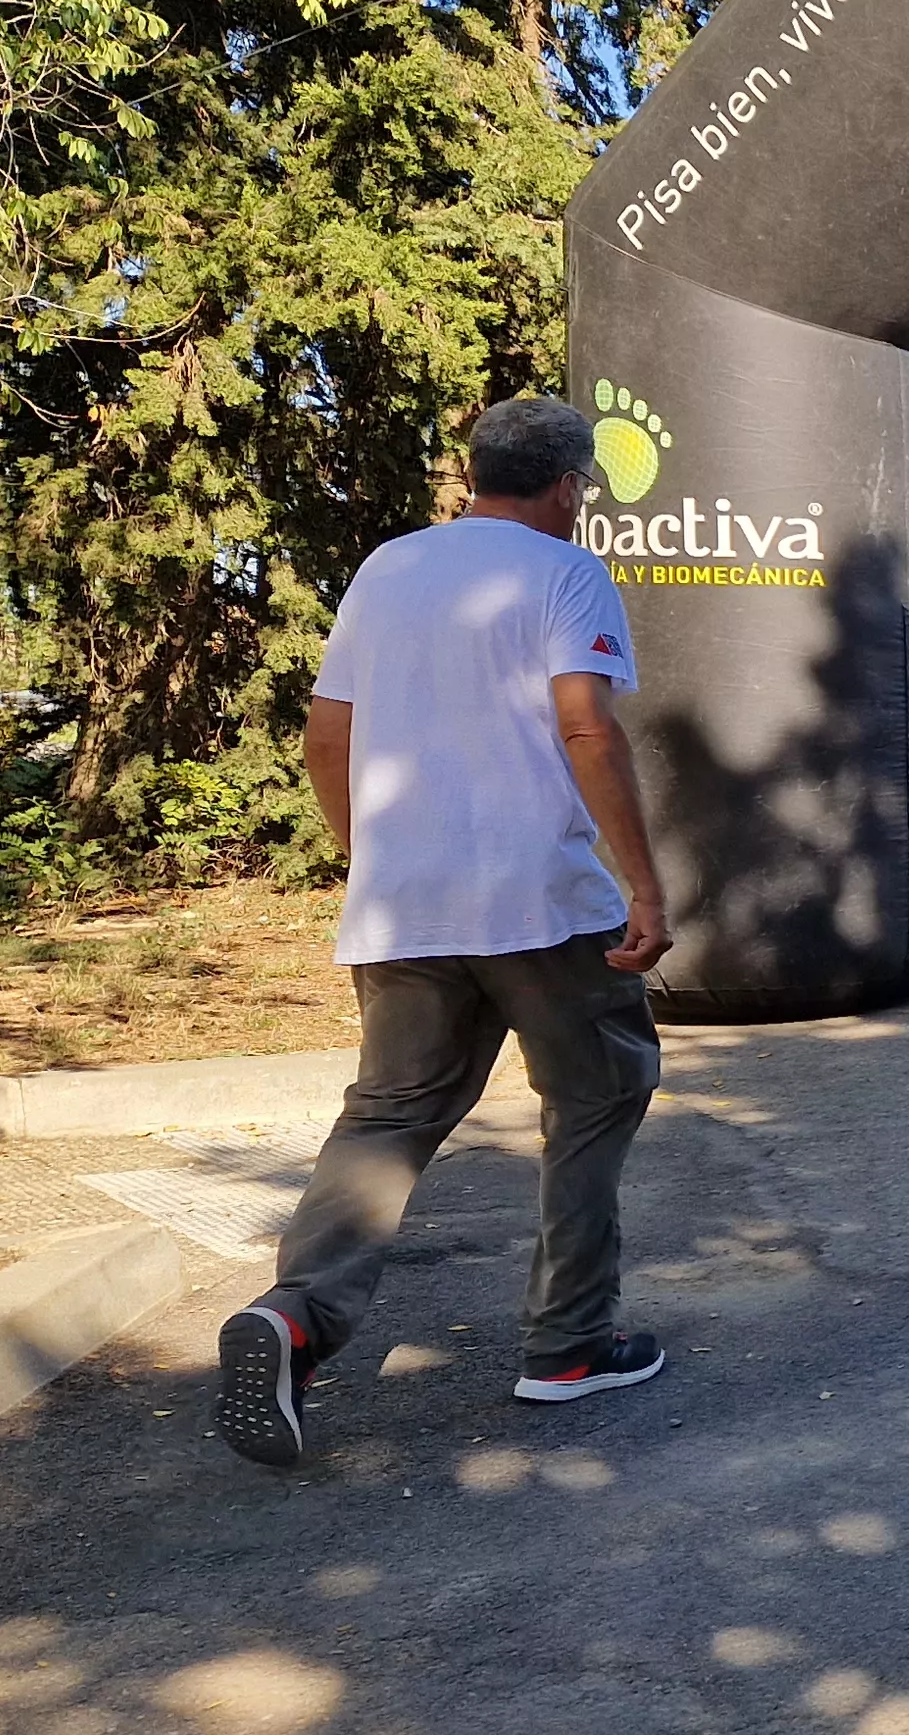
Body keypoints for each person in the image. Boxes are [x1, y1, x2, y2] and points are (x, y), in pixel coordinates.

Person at [215, 398, 676, 1470]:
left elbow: (327, 735)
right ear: (568, 487)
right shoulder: (566, 573)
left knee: (389, 1117)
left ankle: (295, 1317)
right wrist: (644, 885)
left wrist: (364, 856)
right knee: (599, 1092)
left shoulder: (387, 570)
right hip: (541, 903)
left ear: (474, 474)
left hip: (403, 905)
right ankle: (567, 1345)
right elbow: (585, 724)